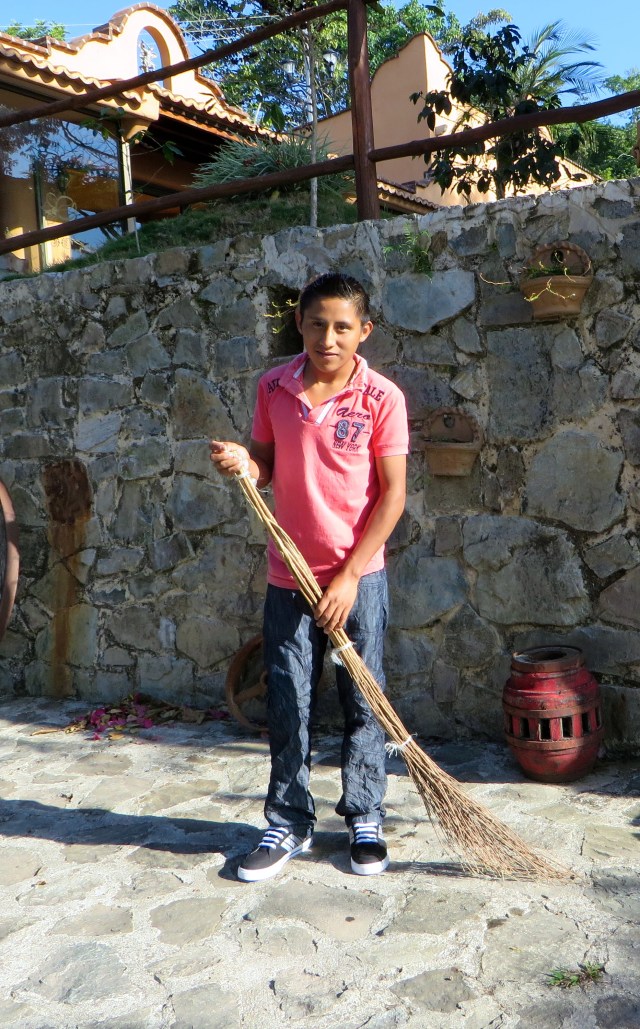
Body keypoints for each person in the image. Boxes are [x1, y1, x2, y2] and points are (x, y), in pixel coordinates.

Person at [210, 272, 408, 882]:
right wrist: (246, 463)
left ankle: (365, 816)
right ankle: (288, 820)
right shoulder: (273, 386)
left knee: (362, 701)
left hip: (357, 580)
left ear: (363, 331)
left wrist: (350, 576)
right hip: (288, 576)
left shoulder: (382, 398)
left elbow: (394, 496)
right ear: (299, 323)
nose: (329, 336)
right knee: (289, 699)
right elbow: (266, 463)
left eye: (342, 326)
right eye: (317, 323)